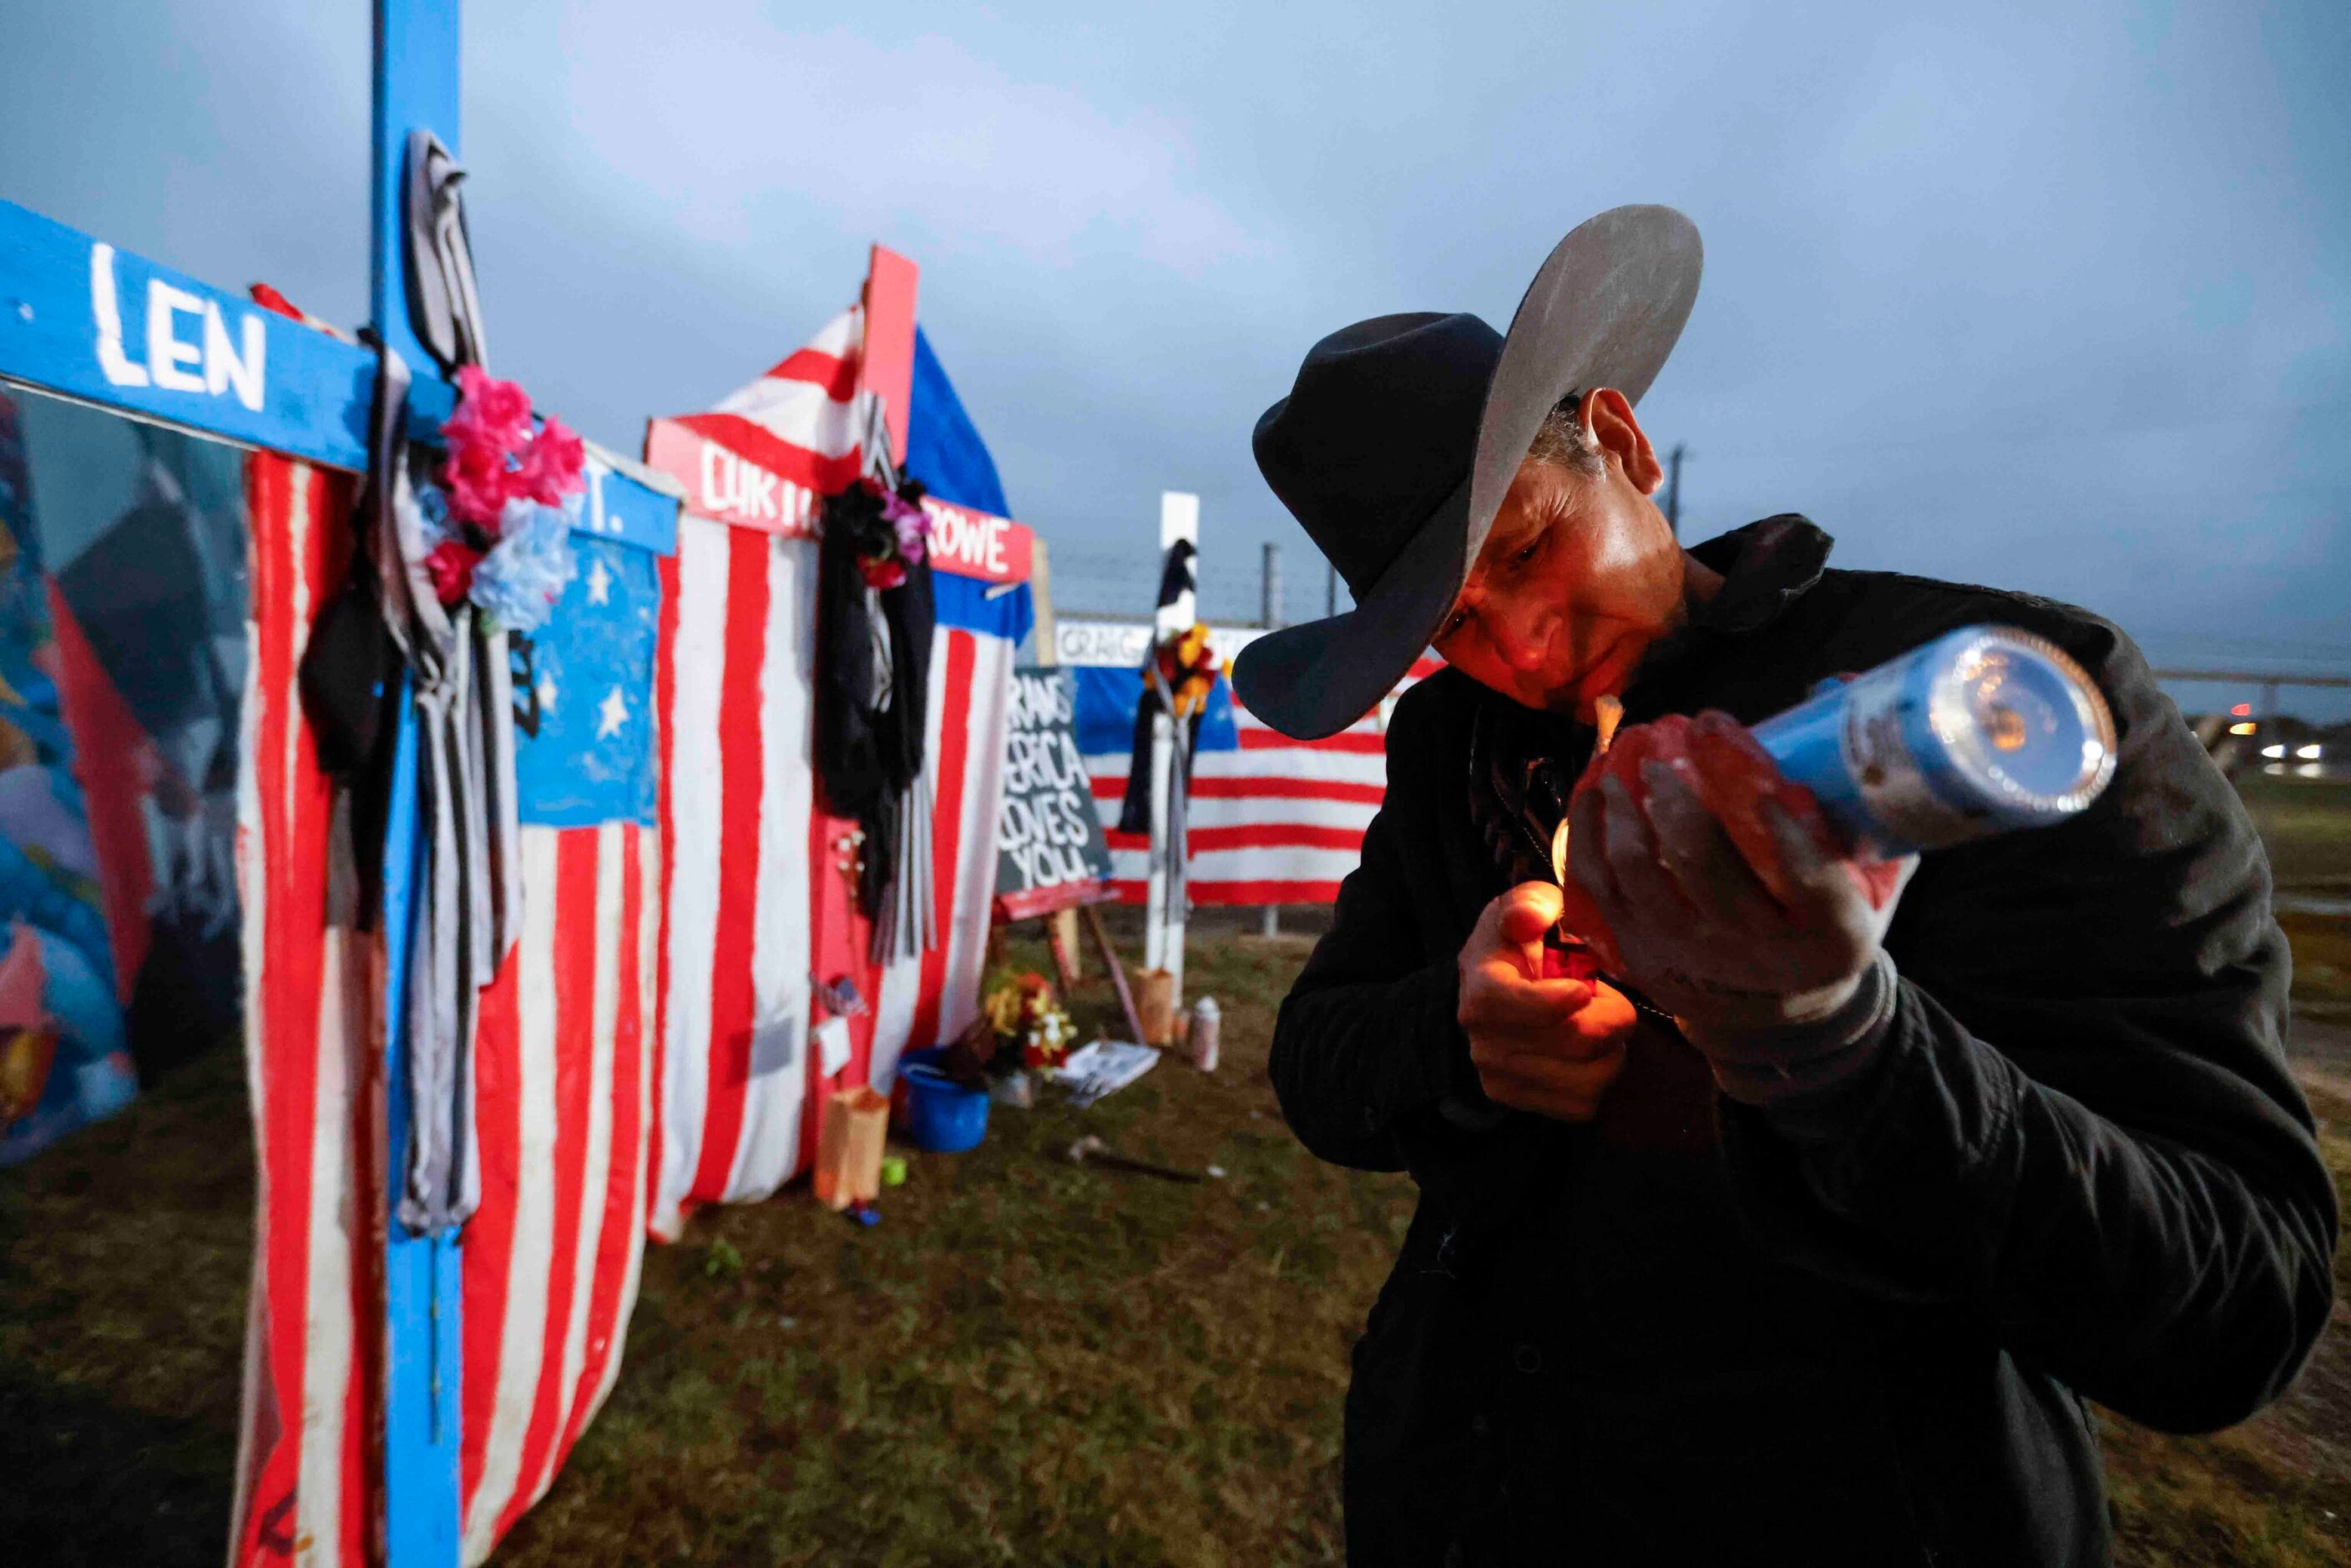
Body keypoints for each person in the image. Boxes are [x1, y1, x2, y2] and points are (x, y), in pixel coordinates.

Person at [1232, 206, 2338, 1566]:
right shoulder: (1451, 742)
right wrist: (1455, 1035)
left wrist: (1840, 1042)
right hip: (1465, 1489)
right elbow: (1317, 1059)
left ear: (1624, 445)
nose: (1518, 643)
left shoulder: (1990, 702)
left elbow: (2239, 1301)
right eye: (1451, 622)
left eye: (1526, 548)